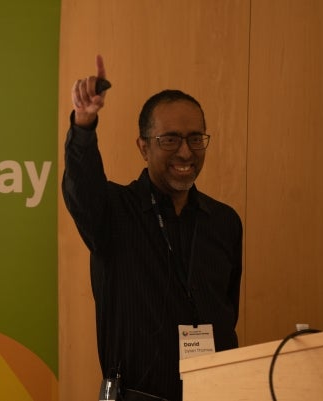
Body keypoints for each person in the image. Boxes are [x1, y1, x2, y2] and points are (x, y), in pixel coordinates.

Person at [62, 55, 243, 401]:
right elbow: (79, 188)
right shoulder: (113, 212)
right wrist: (84, 124)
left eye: (195, 139)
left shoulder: (224, 222)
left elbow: (227, 311)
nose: (186, 153)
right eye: (170, 140)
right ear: (143, 146)